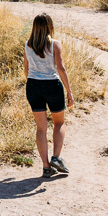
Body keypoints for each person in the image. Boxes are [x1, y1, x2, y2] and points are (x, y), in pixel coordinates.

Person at [24, 13, 74, 179]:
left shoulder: (27, 45)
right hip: (52, 85)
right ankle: (56, 159)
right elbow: (61, 68)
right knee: (59, 122)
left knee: (41, 128)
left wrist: (33, 84)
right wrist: (69, 90)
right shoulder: (54, 44)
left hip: (32, 85)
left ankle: (46, 167)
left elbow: (26, 69)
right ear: (49, 26)